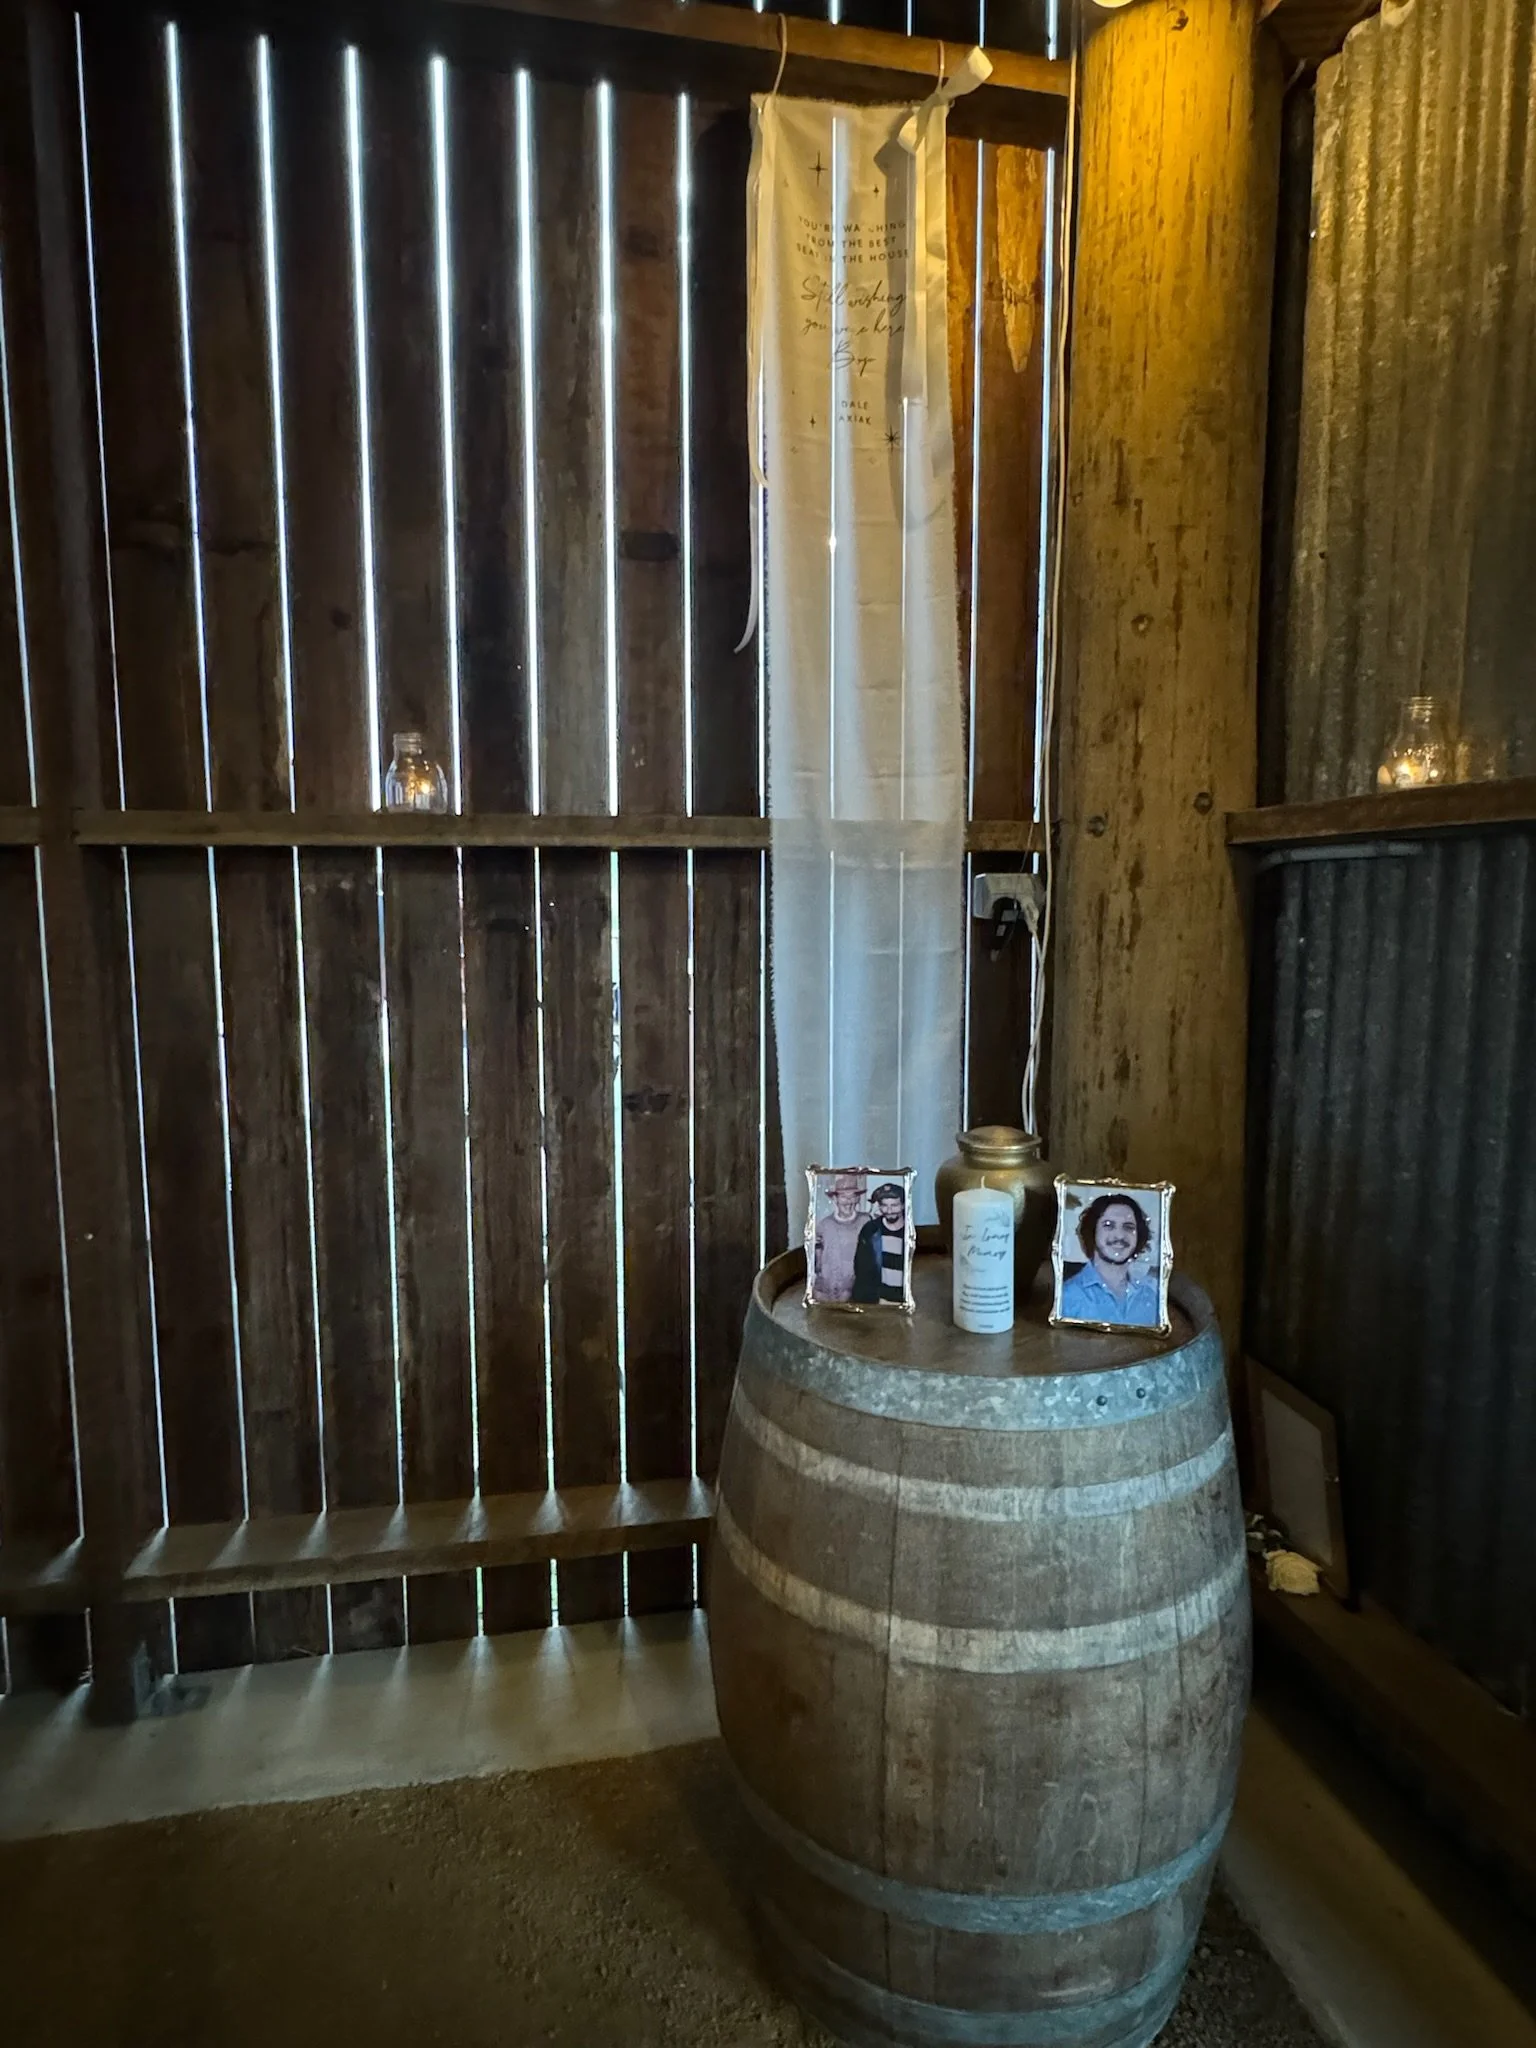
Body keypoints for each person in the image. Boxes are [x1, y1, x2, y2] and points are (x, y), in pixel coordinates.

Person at [1058, 1192, 1163, 1327]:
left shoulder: (1151, 1295)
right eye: (1108, 1225)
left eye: (1128, 1227)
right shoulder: (1067, 1296)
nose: (1119, 1235)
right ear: (1092, 1231)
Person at [813, 1173, 867, 1303]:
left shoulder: (866, 1222)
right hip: (827, 1293)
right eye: (843, 1197)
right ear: (835, 1199)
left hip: (857, 1294)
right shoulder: (824, 1225)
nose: (848, 1202)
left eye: (853, 1196)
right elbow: (818, 1262)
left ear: (858, 1199)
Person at [853, 1182, 908, 1304]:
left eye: (894, 1205)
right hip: (879, 1301)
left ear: (903, 1205)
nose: (889, 1211)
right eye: (884, 1205)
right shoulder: (870, 1230)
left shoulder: (910, 1232)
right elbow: (861, 1268)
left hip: (904, 1301)